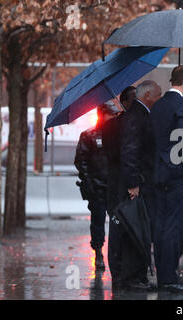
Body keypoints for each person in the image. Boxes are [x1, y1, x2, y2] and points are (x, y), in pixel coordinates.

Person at [106, 81, 161, 292]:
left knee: (131, 228)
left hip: (134, 182)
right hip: (133, 184)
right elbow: (130, 152)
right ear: (147, 95)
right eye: (157, 94)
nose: (159, 99)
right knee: (131, 228)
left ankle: (131, 276)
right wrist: (133, 184)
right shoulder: (135, 117)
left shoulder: (136, 115)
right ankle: (130, 277)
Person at [149, 65, 183, 292]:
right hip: (178, 176)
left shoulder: (157, 106)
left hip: (158, 174)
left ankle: (163, 274)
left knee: (160, 227)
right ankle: (169, 278)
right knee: (174, 228)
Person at [74, 101, 121, 271]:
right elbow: (81, 161)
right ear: (103, 114)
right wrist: (89, 182)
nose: (115, 117)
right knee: (98, 222)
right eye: (112, 114)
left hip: (114, 187)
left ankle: (117, 255)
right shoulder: (89, 135)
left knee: (118, 221)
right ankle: (98, 252)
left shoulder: (118, 135)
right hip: (97, 187)